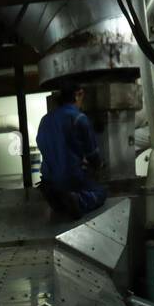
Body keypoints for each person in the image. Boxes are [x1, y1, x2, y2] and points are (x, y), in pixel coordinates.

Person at [35, 80, 107, 219]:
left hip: (48, 179)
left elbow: (43, 145)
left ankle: (58, 200)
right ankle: (79, 200)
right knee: (101, 192)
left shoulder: (45, 120)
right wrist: (99, 166)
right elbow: (93, 155)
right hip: (71, 178)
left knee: (59, 189)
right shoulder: (79, 118)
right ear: (78, 94)